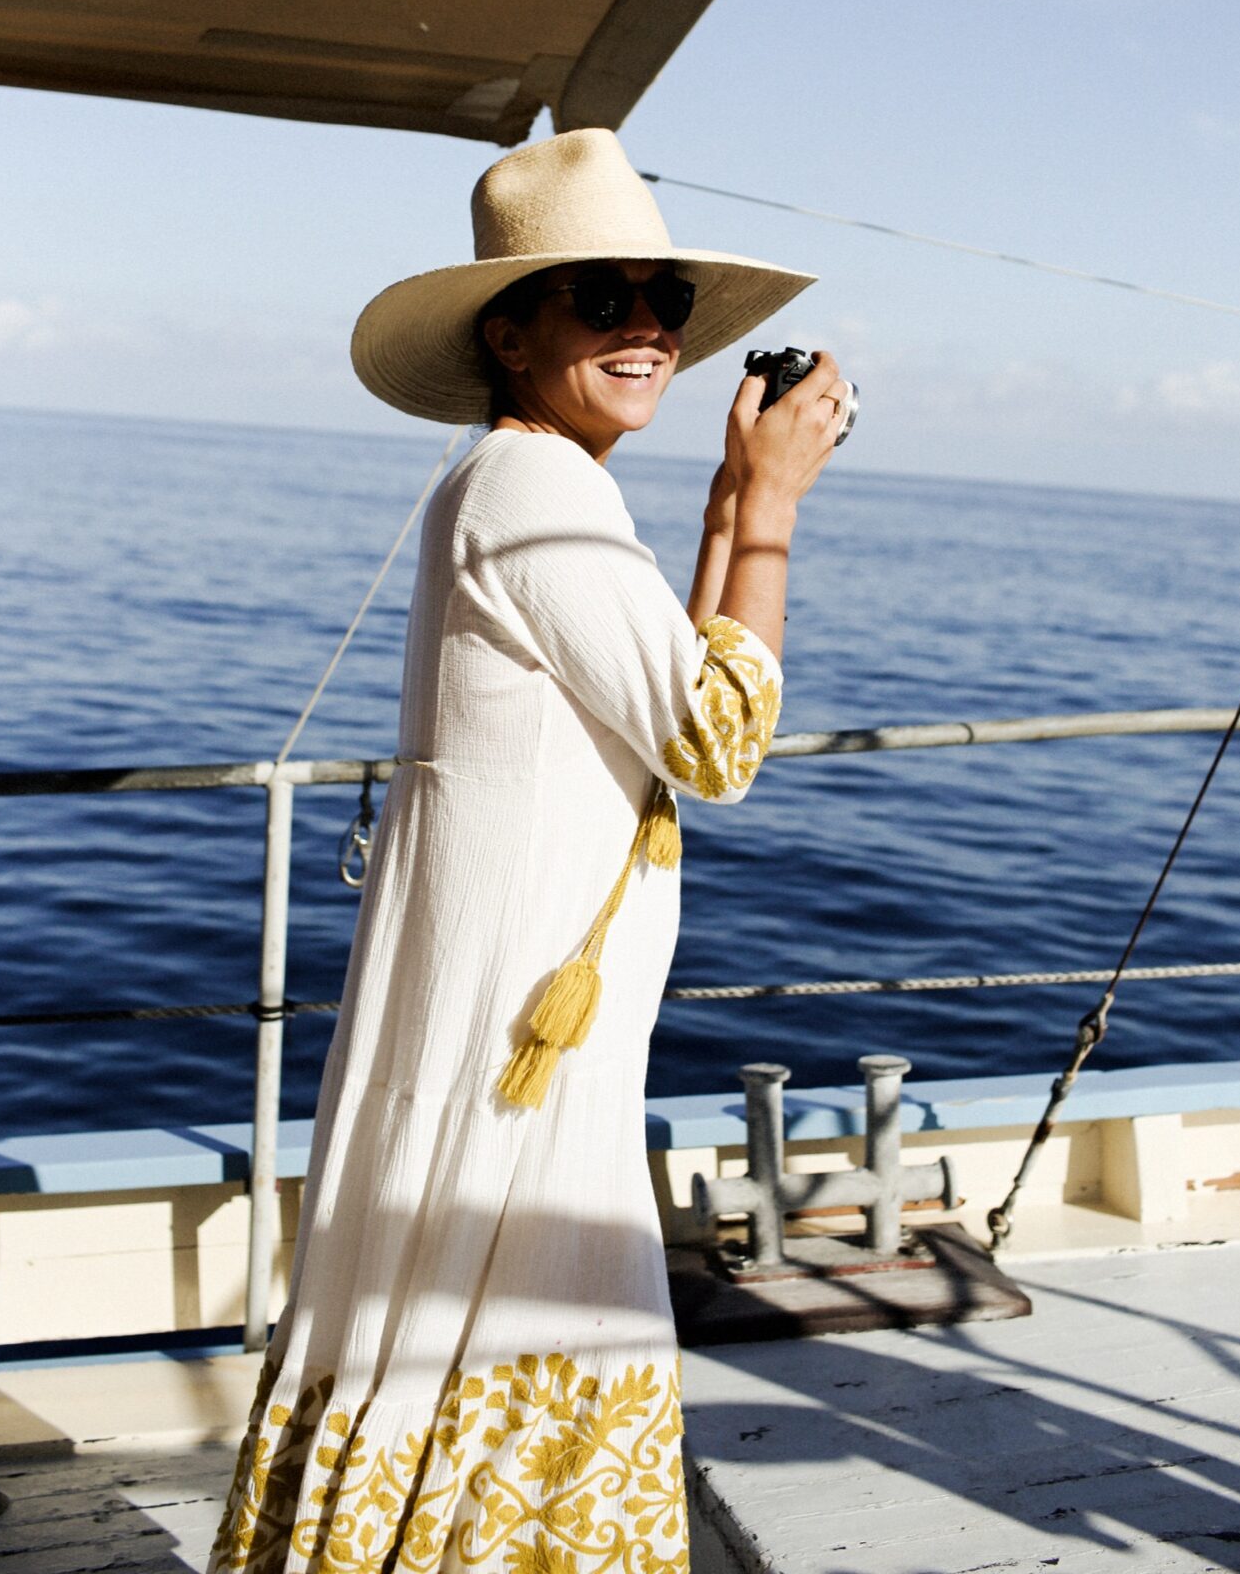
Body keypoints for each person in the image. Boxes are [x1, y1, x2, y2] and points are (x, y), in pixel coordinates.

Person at [208, 128, 851, 1574]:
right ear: (509, 332)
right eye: (599, 299)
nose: (644, 330)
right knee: (515, 1320)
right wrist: (773, 508)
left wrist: (711, 519)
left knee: (451, 1326)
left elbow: (651, 696)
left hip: (518, 1015)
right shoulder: (536, 489)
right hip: (524, 1041)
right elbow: (716, 742)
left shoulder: (533, 484)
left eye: (663, 306)